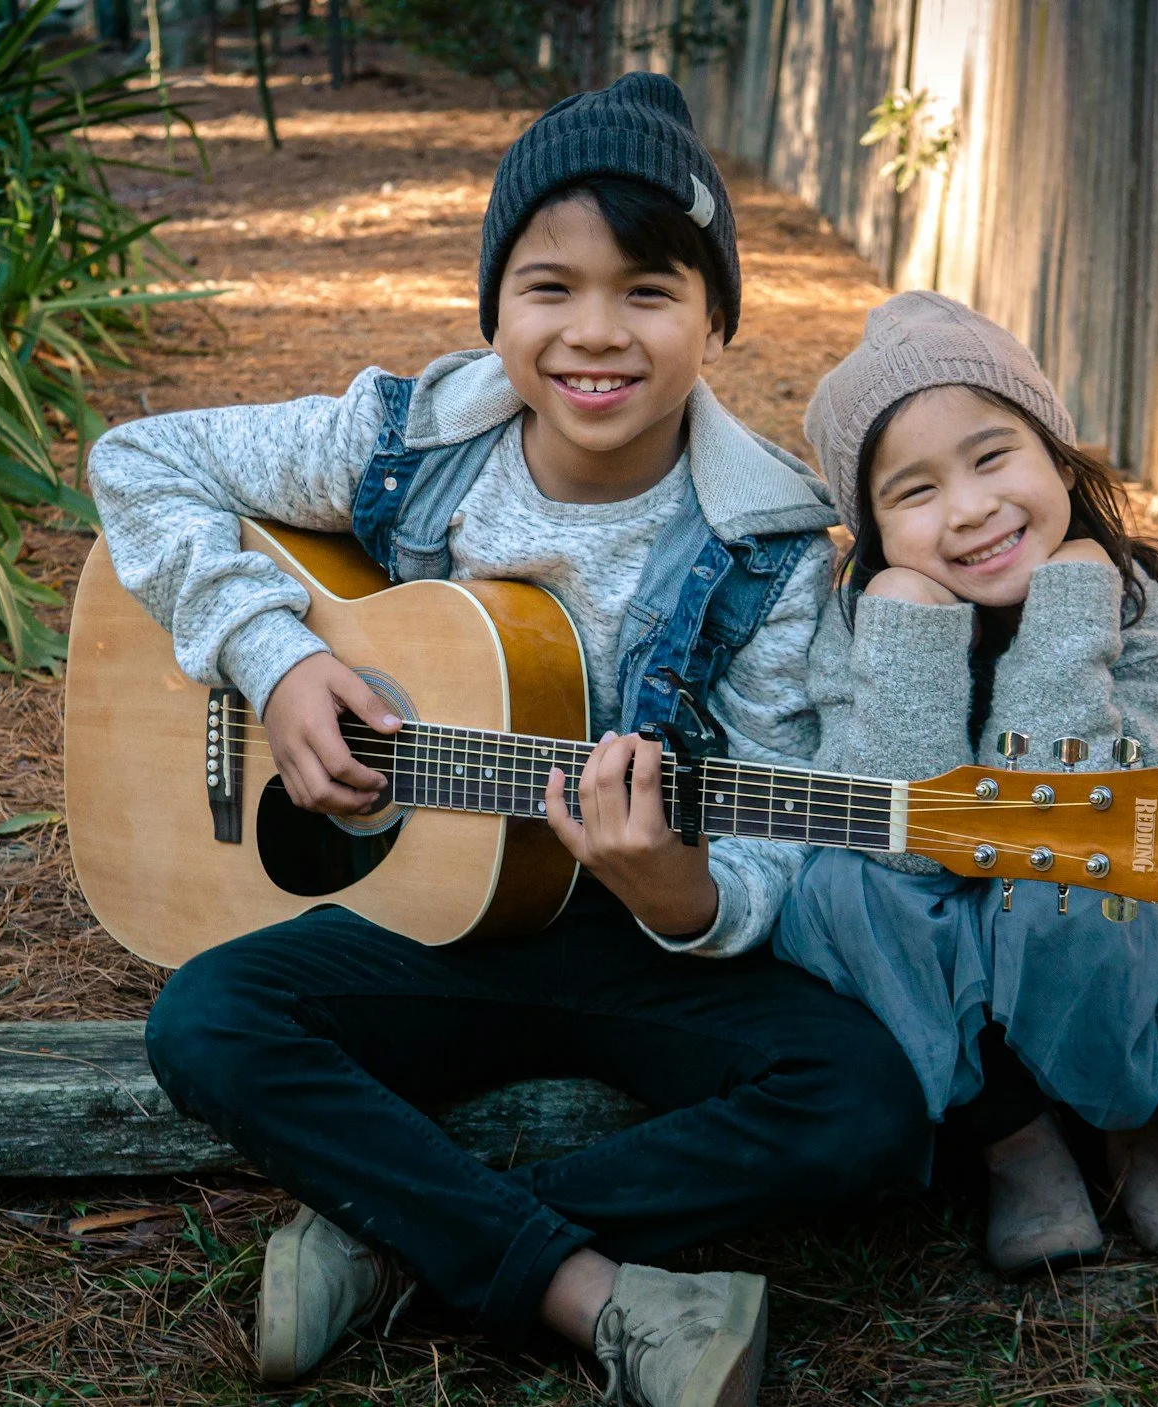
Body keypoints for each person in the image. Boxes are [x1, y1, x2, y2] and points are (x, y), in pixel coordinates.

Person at [87, 74, 930, 1403]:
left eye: (650, 289)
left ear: (715, 313)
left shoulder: (770, 554)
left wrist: (686, 891)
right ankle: (588, 1292)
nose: (598, 333)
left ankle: (391, 1242)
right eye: (551, 287)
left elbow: (779, 819)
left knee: (869, 1103)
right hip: (421, 923)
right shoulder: (407, 442)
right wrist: (280, 654)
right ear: (496, 307)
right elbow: (139, 461)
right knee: (207, 1020)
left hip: (621, 940)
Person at [778, 291, 1158, 1275]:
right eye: (912, 492)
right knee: (834, 884)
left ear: (1057, 457)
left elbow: (1085, 820)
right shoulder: (857, 629)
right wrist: (908, 625)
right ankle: (1016, 1142)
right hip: (949, 957)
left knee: (1062, 864)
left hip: (1107, 944)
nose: (968, 509)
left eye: (992, 457)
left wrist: (1069, 610)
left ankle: (1143, 1131)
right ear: (868, 532)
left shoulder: (1141, 614)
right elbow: (894, 833)